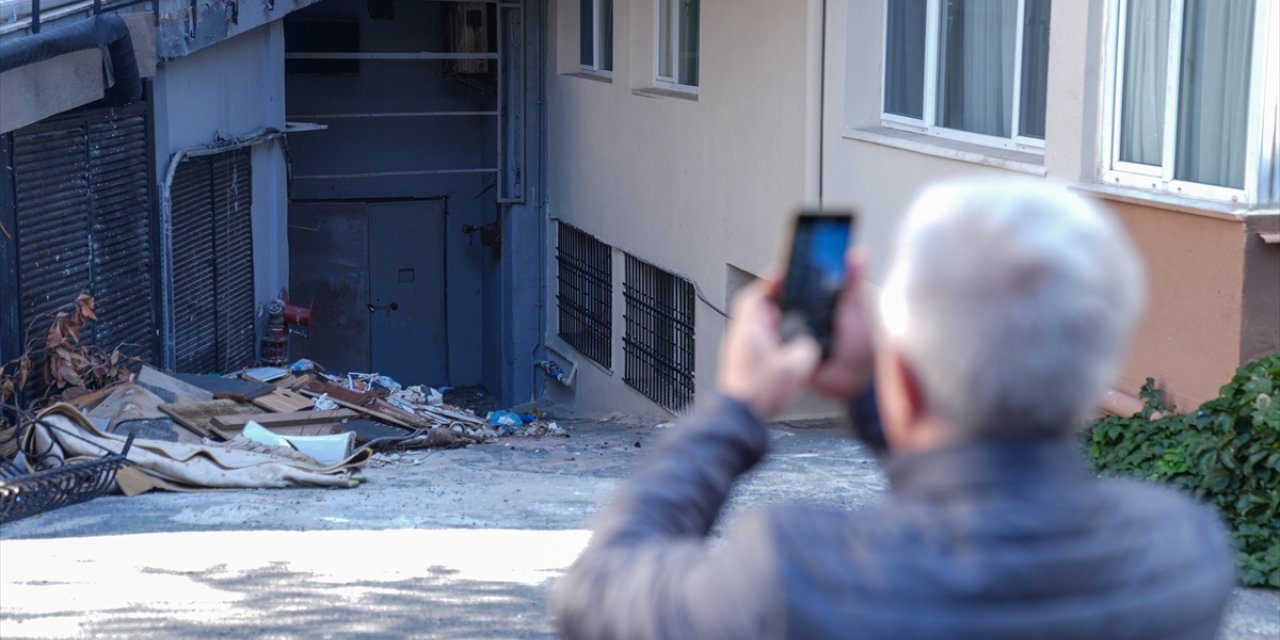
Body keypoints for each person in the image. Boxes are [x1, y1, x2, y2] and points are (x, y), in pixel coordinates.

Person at [549, 178, 1237, 639]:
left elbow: (595, 590)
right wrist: (871, 387)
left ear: (901, 382)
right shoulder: (1181, 552)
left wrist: (737, 408)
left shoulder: (794, 573)